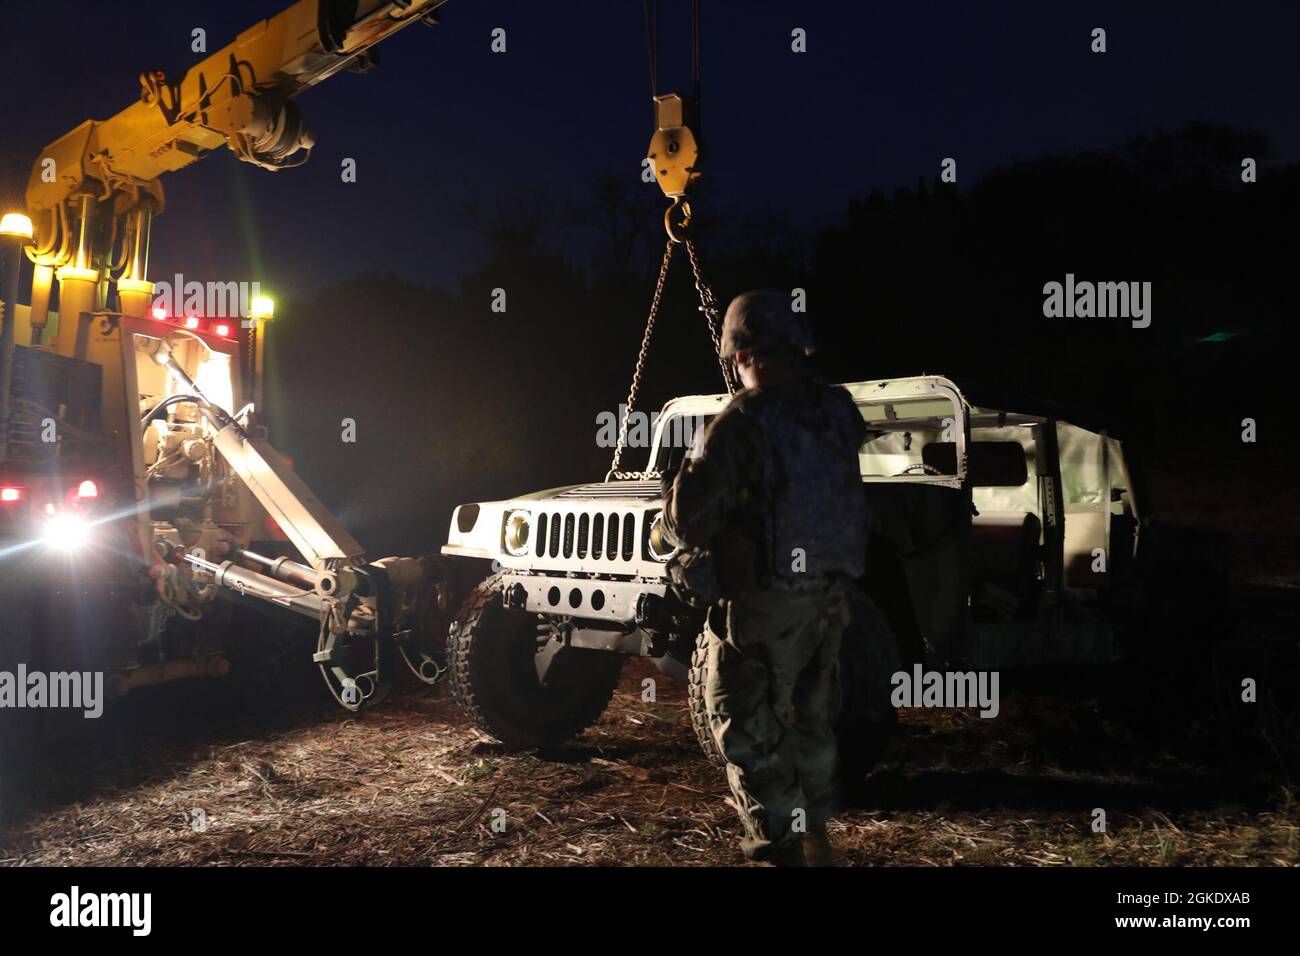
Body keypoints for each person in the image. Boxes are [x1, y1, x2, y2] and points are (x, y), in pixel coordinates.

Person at [662, 289, 869, 866]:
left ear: (739, 353)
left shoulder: (740, 424)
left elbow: (685, 521)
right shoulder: (837, 410)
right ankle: (815, 839)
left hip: (765, 606)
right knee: (812, 721)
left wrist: (676, 489)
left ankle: (779, 851)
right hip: (830, 599)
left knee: (744, 726)